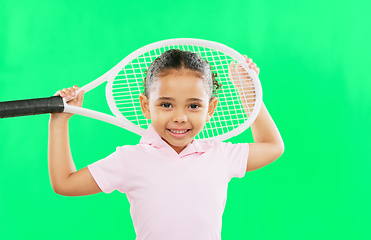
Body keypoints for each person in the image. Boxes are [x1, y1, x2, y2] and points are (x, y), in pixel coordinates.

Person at [48, 49, 284, 240]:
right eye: (166, 105)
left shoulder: (219, 154)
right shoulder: (128, 159)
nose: (180, 117)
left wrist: (249, 94)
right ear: (146, 106)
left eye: (193, 106)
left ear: (210, 108)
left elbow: (273, 146)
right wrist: (59, 120)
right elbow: (65, 183)